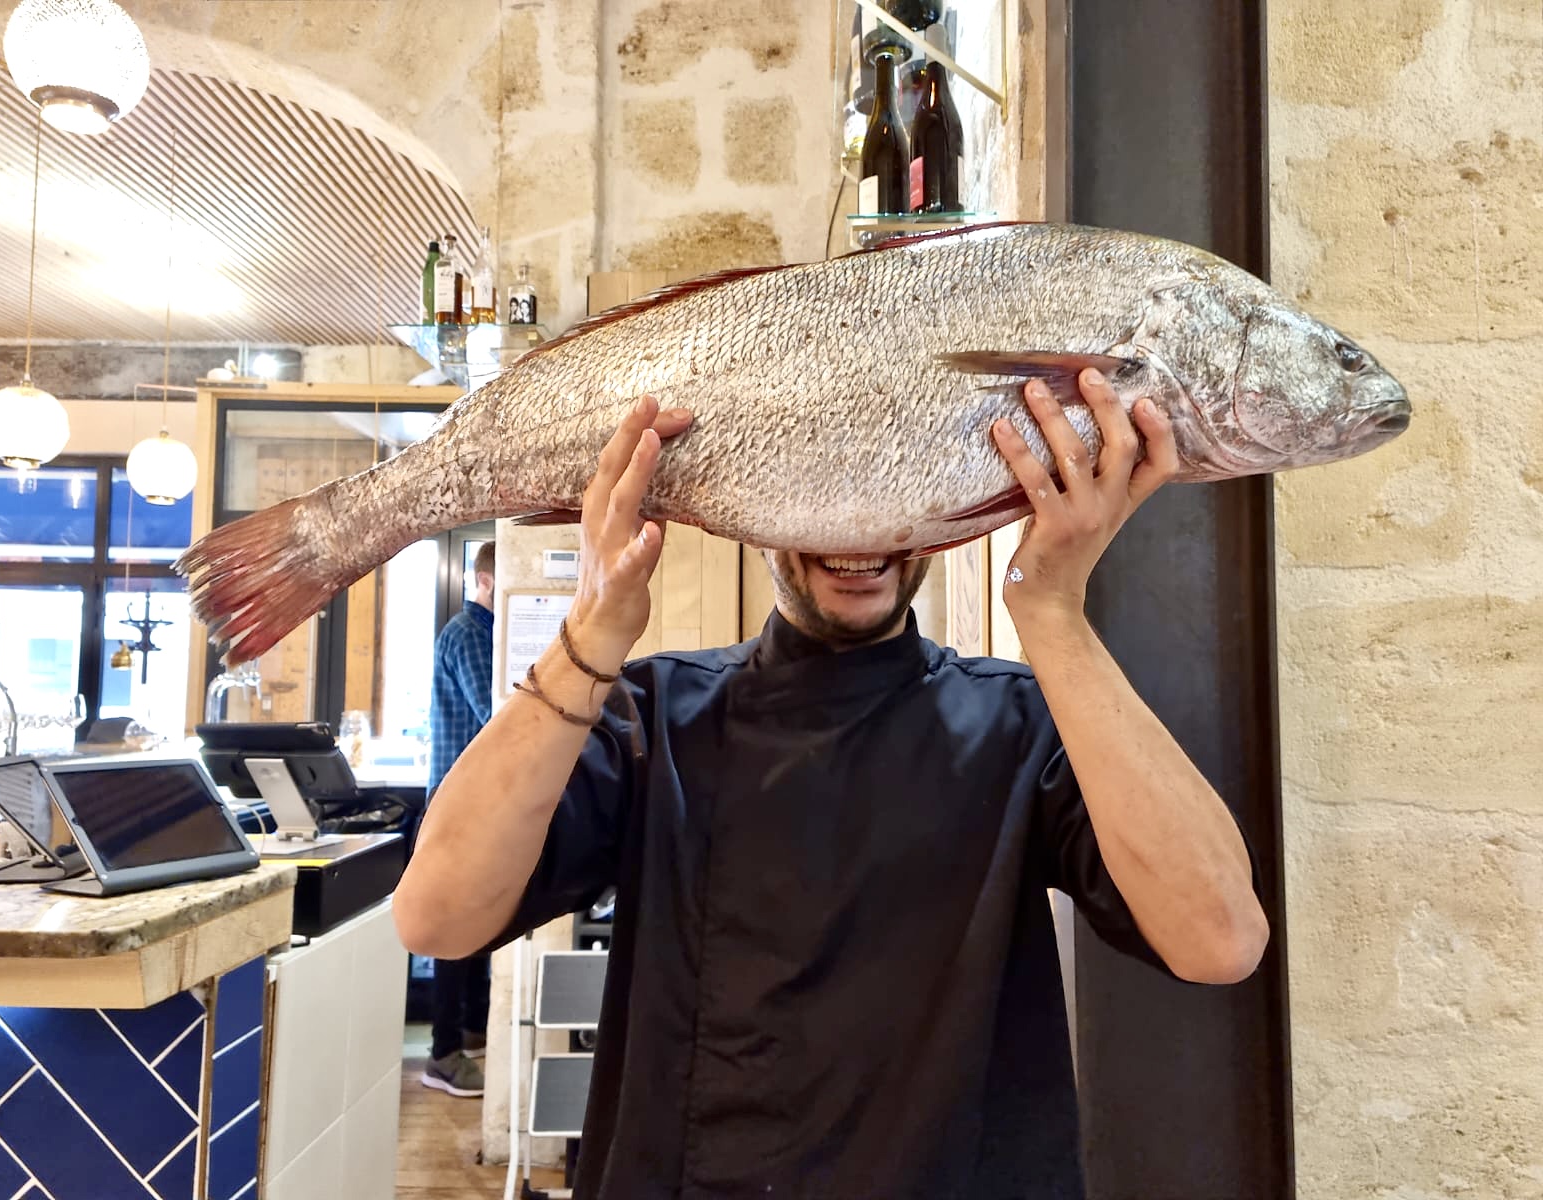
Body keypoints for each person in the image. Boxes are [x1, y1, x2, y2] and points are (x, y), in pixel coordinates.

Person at [395, 376, 1270, 1196]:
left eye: (890, 489)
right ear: (755, 512)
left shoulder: (1019, 724)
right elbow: (437, 915)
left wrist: (1052, 612)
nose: (858, 532)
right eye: (824, 491)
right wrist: (588, 635)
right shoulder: (652, 715)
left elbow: (1220, 939)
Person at [418, 539, 497, 1098]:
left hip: (476, 801)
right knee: (453, 930)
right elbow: (494, 713)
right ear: (486, 580)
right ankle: (444, 1052)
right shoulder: (470, 634)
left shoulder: (484, 632)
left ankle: (471, 1030)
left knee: (478, 924)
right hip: (459, 803)